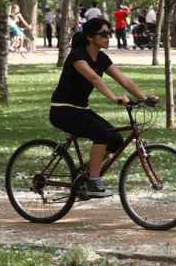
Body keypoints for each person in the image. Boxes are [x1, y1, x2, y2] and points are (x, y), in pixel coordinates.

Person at [49, 17, 157, 196]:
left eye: (110, 34)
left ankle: (83, 174)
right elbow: (94, 78)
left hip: (81, 109)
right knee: (102, 134)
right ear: (91, 37)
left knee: (115, 140)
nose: (109, 38)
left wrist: (144, 98)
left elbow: (124, 80)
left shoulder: (101, 57)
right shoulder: (77, 55)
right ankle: (93, 180)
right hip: (62, 109)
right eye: (104, 34)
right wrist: (114, 98)